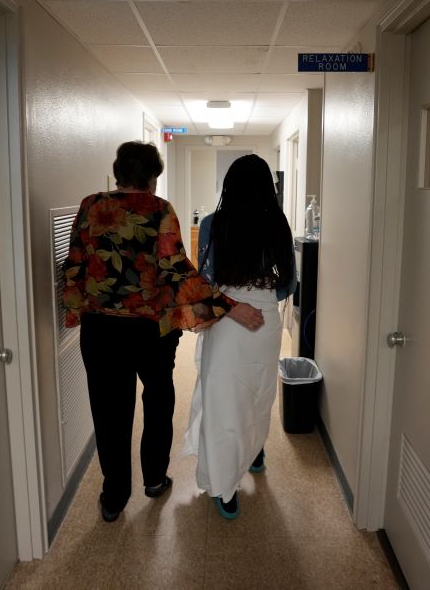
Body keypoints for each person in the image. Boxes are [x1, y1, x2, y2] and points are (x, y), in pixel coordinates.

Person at [61, 141, 264, 523]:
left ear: (118, 171)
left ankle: (114, 498)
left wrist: (75, 313)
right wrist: (231, 307)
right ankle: (154, 479)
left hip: (101, 330)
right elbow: (177, 270)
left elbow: (74, 263)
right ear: (153, 178)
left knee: (109, 413)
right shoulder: (159, 211)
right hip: (151, 331)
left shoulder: (90, 205)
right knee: (157, 401)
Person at [181, 154, 297, 520]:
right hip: (264, 322)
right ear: (268, 186)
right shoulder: (278, 224)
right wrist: (260, 299)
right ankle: (254, 451)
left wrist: (235, 302)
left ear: (229, 185)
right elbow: (288, 283)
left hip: (228, 319)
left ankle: (225, 485)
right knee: (258, 391)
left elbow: (204, 280)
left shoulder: (215, 223)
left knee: (224, 401)